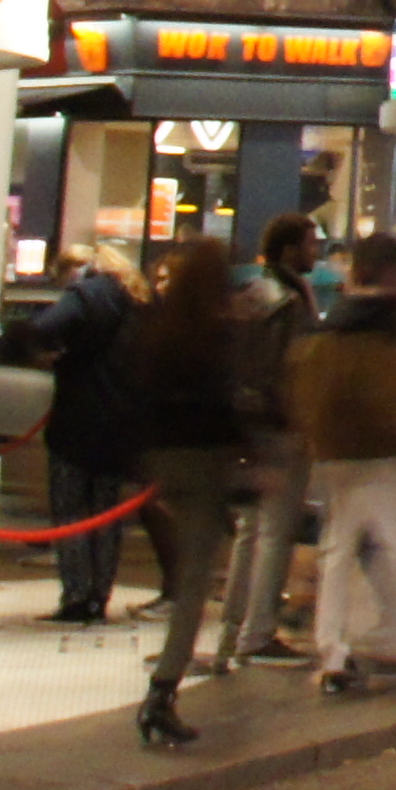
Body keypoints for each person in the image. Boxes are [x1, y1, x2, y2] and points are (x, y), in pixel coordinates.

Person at [289, 239, 396, 694]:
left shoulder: (332, 322)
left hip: (336, 450)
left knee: (338, 547)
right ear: (391, 271)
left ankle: (333, 645)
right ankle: (394, 632)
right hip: (382, 450)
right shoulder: (394, 321)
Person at [125, 239, 245, 748]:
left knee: (192, 572)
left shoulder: (156, 329)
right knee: (196, 579)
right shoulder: (218, 335)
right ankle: (162, 692)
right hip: (204, 460)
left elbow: (138, 395)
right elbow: (227, 402)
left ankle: (164, 690)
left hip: (165, 457)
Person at [11, 244, 146, 626]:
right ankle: (99, 597)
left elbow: (42, 329)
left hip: (77, 418)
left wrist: (47, 352)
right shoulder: (134, 300)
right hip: (119, 421)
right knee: (106, 513)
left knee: (70, 508)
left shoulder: (84, 295)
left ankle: (75, 596)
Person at [213, 215, 318, 667]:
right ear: (290, 249)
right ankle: (257, 634)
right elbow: (288, 367)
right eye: (310, 244)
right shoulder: (288, 301)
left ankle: (234, 626)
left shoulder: (256, 293)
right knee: (275, 531)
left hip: (252, 425)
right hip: (279, 426)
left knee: (251, 530)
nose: (316, 251)